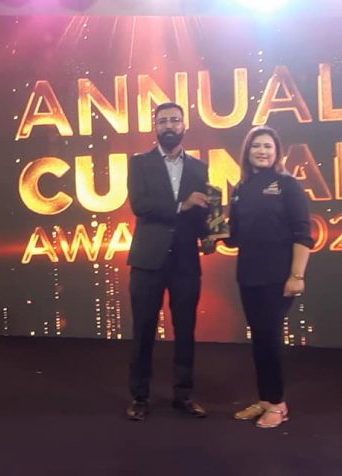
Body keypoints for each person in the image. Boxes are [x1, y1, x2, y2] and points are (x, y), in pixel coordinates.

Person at [124, 102, 211, 421]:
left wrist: (211, 233)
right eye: (163, 121)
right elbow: (140, 205)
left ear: (184, 125)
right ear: (155, 127)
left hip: (186, 261)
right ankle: (139, 397)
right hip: (148, 260)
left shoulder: (199, 168)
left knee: (186, 330)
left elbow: (200, 213)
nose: (169, 125)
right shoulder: (139, 163)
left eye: (175, 120)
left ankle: (183, 395)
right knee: (144, 330)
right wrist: (180, 205)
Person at [224, 126, 312, 429]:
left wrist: (297, 275)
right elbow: (235, 236)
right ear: (247, 152)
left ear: (277, 152)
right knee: (260, 338)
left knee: (270, 338)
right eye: (256, 146)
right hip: (248, 275)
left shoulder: (288, 185)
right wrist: (212, 232)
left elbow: (303, 234)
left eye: (267, 147)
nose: (262, 151)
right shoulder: (241, 188)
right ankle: (265, 399)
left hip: (279, 276)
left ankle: (277, 404)